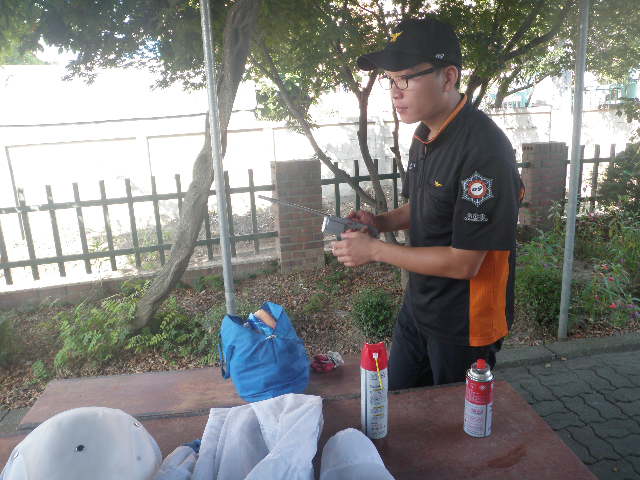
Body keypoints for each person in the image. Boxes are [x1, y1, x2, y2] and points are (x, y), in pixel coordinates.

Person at [331, 17, 524, 389]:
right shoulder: (424, 135)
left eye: (405, 79)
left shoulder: (484, 151)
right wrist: (378, 222)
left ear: (448, 77)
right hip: (421, 306)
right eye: (390, 80)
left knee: (452, 421)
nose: (395, 92)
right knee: (400, 403)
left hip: (466, 323)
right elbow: (422, 207)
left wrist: (375, 251)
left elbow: (465, 262)